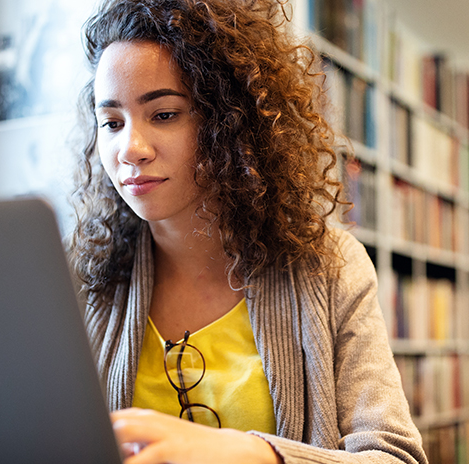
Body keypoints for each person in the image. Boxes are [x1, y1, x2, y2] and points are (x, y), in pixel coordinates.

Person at [68, 0, 427, 463]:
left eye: (164, 114)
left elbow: (396, 458)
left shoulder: (332, 266)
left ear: (230, 121)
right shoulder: (81, 277)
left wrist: (249, 455)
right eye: (112, 123)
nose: (129, 149)